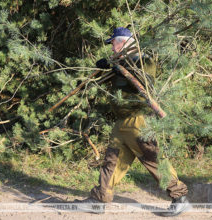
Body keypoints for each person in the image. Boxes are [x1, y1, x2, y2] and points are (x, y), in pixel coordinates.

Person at [76, 27, 190, 217]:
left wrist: (120, 69)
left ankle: (180, 198)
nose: (112, 48)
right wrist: (104, 66)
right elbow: (110, 82)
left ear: (123, 42)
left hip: (139, 120)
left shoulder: (142, 58)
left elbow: (146, 83)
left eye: (113, 43)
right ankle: (99, 200)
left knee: (153, 159)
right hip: (122, 123)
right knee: (112, 161)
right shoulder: (120, 61)